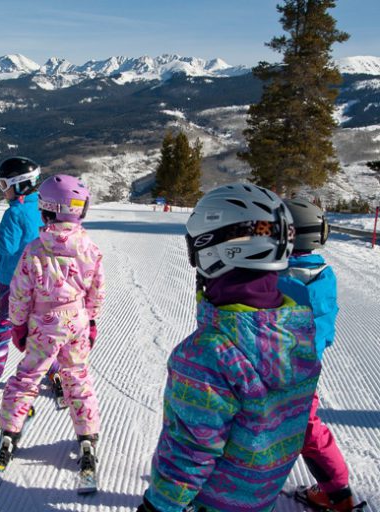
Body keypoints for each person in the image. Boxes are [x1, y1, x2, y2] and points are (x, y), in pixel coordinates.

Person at [139, 183, 321, 512]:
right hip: (259, 498)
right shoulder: (299, 329)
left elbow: (189, 452)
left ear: (215, 249)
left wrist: (157, 506)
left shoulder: (208, 354)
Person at [0, 174, 105, 473]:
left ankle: (10, 431)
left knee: (28, 377)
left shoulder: (34, 250)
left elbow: (19, 293)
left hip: (45, 324)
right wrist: (91, 319)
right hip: (78, 319)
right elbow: (97, 289)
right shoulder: (91, 249)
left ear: (44, 210)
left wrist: (17, 325)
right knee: (77, 376)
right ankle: (87, 434)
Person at [278, 198, 365, 511]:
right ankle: (336, 491)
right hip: (307, 368)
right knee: (307, 427)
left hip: (273, 368)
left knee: (239, 420)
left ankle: (216, 489)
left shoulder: (279, 279)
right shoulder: (324, 275)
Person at [0, 157, 61, 403]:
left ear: (21, 185)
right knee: (40, 326)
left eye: (5, 185)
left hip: (11, 282)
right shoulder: (46, 208)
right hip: (39, 280)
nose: (3, 191)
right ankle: (54, 369)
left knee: (6, 323)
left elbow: (6, 245)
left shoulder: (14, 213)